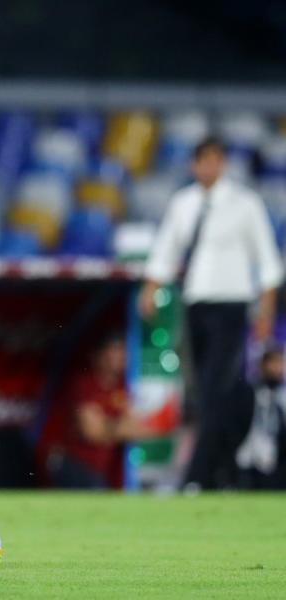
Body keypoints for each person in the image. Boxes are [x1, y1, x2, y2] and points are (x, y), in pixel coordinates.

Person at [140, 136, 284, 491]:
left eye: (215, 160)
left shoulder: (244, 203)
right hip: (196, 303)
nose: (209, 167)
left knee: (212, 388)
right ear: (194, 165)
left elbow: (267, 259)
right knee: (210, 391)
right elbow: (166, 249)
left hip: (232, 305)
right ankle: (226, 469)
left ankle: (196, 476)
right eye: (203, 161)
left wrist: (265, 306)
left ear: (222, 164)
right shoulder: (184, 203)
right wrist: (151, 286)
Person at [39, 336, 170, 489]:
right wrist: (120, 428)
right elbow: (93, 433)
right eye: (114, 349)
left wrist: (114, 428)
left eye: (123, 349)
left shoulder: (122, 387)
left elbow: (138, 426)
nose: (121, 355)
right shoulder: (85, 384)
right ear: (97, 355)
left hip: (102, 470)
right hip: (74, 463)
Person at [236, 346, 286, 489]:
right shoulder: (249, 393)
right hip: (247, 461)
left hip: (275, 463)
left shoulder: (281, 396)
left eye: (280, 364)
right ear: (263, 366)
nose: (277, 369)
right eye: (273, 363)